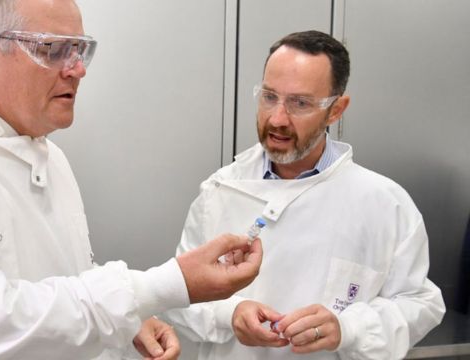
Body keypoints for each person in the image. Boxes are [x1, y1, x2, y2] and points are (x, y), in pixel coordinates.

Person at [0, 0, 264, 359]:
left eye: (80, 49)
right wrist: (162, 286)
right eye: (52, 49)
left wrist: (129, 322)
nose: (78, 69)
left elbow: (68, 276)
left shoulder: (51, 156)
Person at [163, 30, 446, 359]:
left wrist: (349, 328)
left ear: (337, 109)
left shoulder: (385, 205)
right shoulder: (220, 191)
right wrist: (231, 314)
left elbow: (420, 304)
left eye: (300, 103)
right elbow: (178, 296)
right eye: (269, 97)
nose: (278, 118)